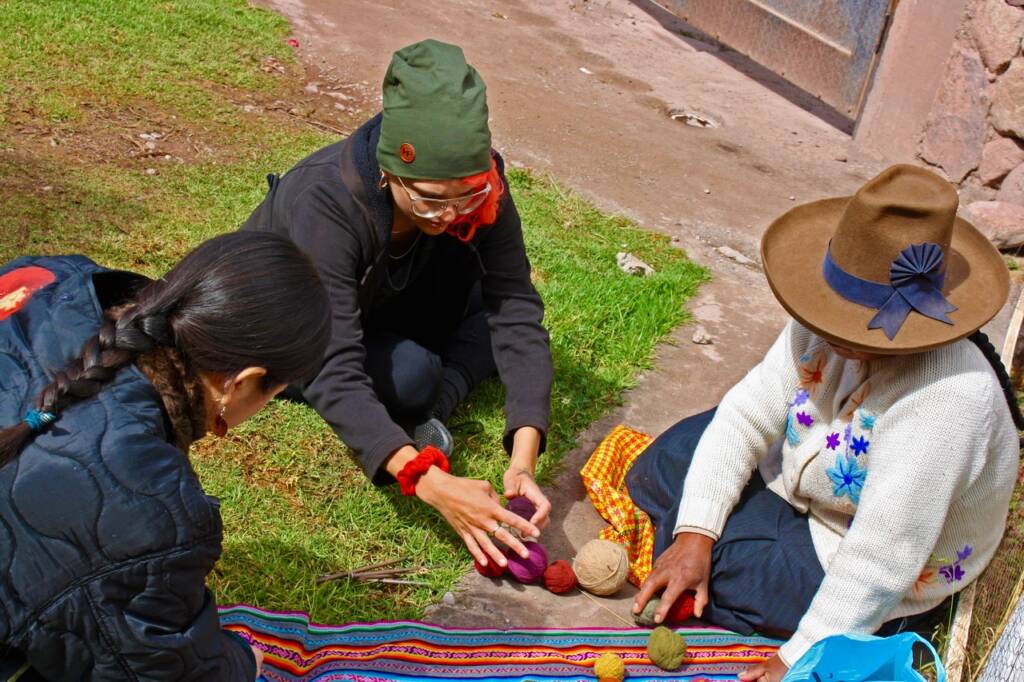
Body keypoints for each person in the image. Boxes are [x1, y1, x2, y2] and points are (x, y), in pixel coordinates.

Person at [629, 165, 1022, 681]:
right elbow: (748, 411)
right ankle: (713, 532)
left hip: (865, 558)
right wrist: (695, 535)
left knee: (733, 568)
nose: (822, 326)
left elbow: (883, 555)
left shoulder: (948, 399)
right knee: (668, 457)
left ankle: (754, 567)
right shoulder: (825, 324)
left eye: (843, 321)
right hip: (805, 487)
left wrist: (799, 656)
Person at [242, 39, 553, 569]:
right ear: (389, 171)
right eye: (430, 198)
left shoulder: (483, 190)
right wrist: (427, 479)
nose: (450, 214)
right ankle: (422, 404)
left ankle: (429, 400)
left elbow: (515, 306)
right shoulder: (326, 201)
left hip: (394, 295)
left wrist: (523, 459)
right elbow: (331, 363)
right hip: (302, 325)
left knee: (491, 318)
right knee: (410, 377)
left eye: (468, 196)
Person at [0, 232, 330, 680]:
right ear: (243, 381)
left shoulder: (47, 277)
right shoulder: (148, 518)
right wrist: (237, 664)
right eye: (275, 390)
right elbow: (157, 668)